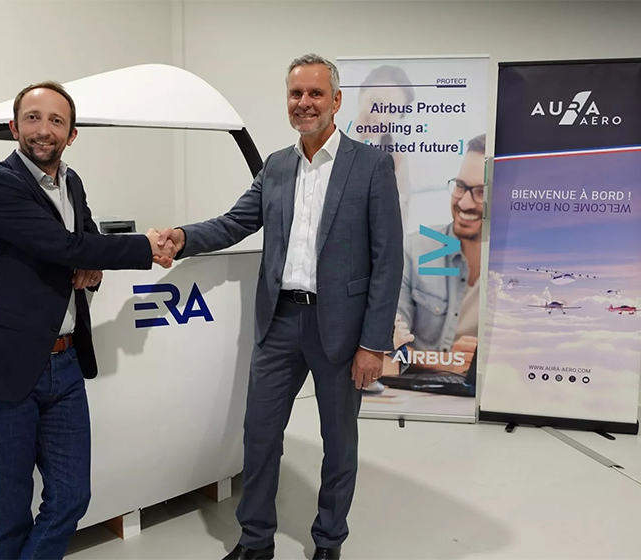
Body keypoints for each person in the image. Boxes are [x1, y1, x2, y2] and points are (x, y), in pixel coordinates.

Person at [157, 54, 403, 560]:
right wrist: (182, 237)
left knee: (339, 442)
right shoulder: (276, 166)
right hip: (280, 321)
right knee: (260, 435)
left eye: (315, 93)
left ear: (336, 100)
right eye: (296, 94)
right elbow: (234, 223)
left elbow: (387, 260)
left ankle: (329, 540)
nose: (304, 103)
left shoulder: (371, 165)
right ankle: (255, 540)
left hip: (341, 329)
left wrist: (373, 344)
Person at [0, 81, 175, 559]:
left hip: (64, 365)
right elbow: (64, 246)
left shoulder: (72, 183)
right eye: (32, 118)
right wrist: (143, 247)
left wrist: (92, 269)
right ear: (14, 127)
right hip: (0, 368)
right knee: (9, 515)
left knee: (72, 498)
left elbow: (84, 244)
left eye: (56, 120)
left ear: (71, 134)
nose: (43, 129)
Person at [392, 134, 486, 375]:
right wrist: (446, 361)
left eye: (480, 192)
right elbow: (387, 346)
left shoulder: (518, 267)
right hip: (418, 391)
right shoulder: (414, 250)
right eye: (461, 186)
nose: (464, 203)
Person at [352, 65, 415, 221]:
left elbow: (399, 221)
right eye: (376, 104)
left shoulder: (397, 159)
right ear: (360, 94)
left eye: (392, 111)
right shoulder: (334, 138)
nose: (380, 118)